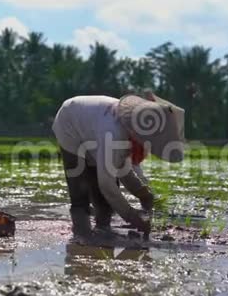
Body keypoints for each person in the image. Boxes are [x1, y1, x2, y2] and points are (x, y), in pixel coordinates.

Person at [52, 93, 185, 237]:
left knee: (104, 197)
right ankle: (81, 233)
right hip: (70, 122)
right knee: (80, 189)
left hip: (93, 125)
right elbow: (106, 184)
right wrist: (132, 217)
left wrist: (143, 193)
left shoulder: (131, 129)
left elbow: (122, 168)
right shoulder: (114, 133)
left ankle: (103, 228)